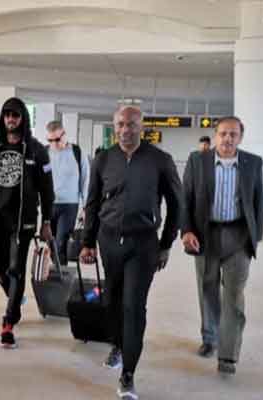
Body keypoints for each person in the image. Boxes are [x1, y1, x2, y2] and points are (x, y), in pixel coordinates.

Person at [79, 106, 182, 399]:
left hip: (143, 243)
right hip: (109, 241)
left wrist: (166, 244)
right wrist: (87, 242)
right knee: (112, 301)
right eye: (121, 124)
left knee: (133, 306)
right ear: (114, 127)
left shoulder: (160, 160)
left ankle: (128, 374)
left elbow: (177, 204)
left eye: (132, 124)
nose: (126, 130)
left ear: (142, 127)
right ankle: (118, 345)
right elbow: (92, 203)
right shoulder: (103, 159)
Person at [0, 97, 54, 349]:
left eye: (15, 115)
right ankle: (15, 297)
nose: (10, 119)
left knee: (16, 270)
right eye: (7, 115)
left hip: (23, 221)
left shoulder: (37, 150)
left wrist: (47, 220)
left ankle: (9, 322)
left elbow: (47, 190)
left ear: (23, 118)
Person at [181, 116, 263, 375]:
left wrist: (255, 238)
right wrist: (186, 230)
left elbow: (258, 201)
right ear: (215, 135)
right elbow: (185, 198)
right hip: (205, 235)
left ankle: (228, 355)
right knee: (207, 290)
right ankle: (210, 338)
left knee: (234, 297)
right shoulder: (197, 161)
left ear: (241, 137)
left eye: (233, 134)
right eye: (223, 133)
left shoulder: (253, 163)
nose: (228, 138)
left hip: (238, 237)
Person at [45, 120, 90, 266]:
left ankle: (61, 274)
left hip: (69, 205)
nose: (54, 144)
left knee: (61, 242)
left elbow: (85, 181)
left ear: (64, 135)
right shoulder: (45, 153)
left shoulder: (77, 152)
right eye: (50, 140)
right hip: (49, 205)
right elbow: (40, 179)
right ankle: (56, 271)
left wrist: (86, 207)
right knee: (51, 243)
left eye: (57, 139)